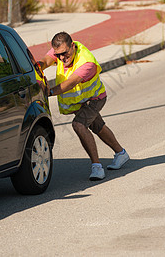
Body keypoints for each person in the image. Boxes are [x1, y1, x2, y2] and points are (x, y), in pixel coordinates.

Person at [38, 32, 130, 180]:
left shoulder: (87, 62)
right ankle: (121, 153)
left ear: (72, 46)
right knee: (98, 127)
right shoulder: (62, 50)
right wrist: (36, 68)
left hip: (95, 99)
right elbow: (45, 61)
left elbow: (71, 83)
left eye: (64, 54)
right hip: (81, 101)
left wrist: (48, 92)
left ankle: (97, 167)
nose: (62, 58)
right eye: (58, 55)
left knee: (79, 125)